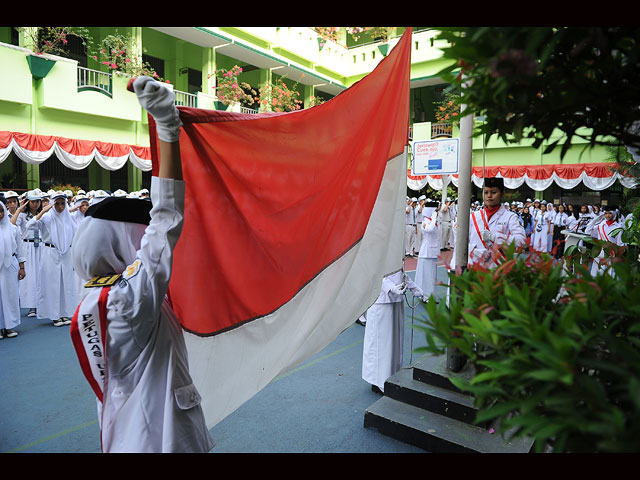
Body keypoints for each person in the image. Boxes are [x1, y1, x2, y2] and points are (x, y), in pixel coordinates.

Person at [69, 75, 214, 453]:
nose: (142, 242)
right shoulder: (130, 299)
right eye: (137, 235)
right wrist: (168, 128)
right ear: (121, 241)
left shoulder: (95, 299)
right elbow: (167, 217)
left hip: (128, 436)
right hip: (164, 437)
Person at [362, 269, 425, 394]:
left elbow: (399, 271)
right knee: (381, 342)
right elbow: (373, 271)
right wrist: (391, 288)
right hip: (381, 299)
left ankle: (391, 375)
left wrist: (412, 286)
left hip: (396, 298)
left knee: (394, 342)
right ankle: (378, 380)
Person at [28, 191, 78, 327]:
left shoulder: (69, 218)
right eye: (57, 204)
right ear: (52, 204)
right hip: (50, 252)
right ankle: (54, 316)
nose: (61, 207)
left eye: (63, 203)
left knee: (65, 284)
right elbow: (30, 226)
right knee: (52, 285)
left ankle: (64, 313)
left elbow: (76, 235)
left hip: (66, 254)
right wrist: (44, 211)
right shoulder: (47, 218)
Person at [468, 177, 526, 267]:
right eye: (486, 192)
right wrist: (474, 251)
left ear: (502, 194)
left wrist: (495, 238)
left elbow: (521, 241)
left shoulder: (510, 217)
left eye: (494, 192)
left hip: (498, 267)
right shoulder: (473, 217)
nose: (489, 196)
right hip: (475, 267)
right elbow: (461, 243)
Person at [11, 190, 43, 318]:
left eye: (37, 201)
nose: (35, 204)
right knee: (30, 277)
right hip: (27, 246)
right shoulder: (23, 216)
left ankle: (41, 304)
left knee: (40, 275)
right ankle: (31, 306)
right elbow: (12, 224)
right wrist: (19, 209)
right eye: (32, 201)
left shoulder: (44, 214)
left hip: (40, 246)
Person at [0, 201, 26, 339]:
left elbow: (20, 249)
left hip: (10, 265)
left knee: (10, 295)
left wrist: (22, 267)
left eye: (1, 211)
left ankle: (10, 326)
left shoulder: (13, 228)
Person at [585, 205, 626, 277]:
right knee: (597, 275)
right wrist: (596, 219)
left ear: (614, 214)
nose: (608, 215)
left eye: (610, 213)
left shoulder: (618, 227)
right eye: (606, 213)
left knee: (609, 275)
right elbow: (587, 231)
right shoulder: (600, 225)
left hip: (611, 254)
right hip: (600, 253)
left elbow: (620, 244)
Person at [414, 201, 440, 301]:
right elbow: (429, 229)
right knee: (425, 277)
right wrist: (433, 217)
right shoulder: (426, 222)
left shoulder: (433, 221)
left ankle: (431, 296)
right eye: (435, 210)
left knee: (432, 276)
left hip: (433, 253)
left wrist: (434, 218)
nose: (436, 212)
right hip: (427, 253)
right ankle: (425, 296)